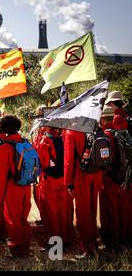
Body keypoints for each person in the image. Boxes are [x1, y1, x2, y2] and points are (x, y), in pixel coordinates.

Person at [0, 115, 32, 258]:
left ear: (3, 128)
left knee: (13, 218)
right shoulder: (26, 142)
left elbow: (1, 174)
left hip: (12, 186)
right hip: (26, 185)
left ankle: (18, 250)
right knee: (23, 218)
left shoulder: (5, 146)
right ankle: (26, 245)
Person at [63, 127, 103, 256]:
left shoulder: (72, 132)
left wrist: (68, 182)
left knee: (83, 212)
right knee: (92, 210)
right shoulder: (96, 128)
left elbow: (68, 160)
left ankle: (88, 249)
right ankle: (94, 244)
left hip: (81, 174)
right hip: (97, 173)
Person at [99, 106, 130, 250]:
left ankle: (112, 242)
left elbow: (105, 161)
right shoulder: (123, 133)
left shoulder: (106, 137)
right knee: (123, 210)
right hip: (125, 177)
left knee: (110, 211)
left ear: (104, 119)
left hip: (110, 179)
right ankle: (124, 239)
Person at [34, 126, 71, 246]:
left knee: (51, 213)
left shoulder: (45, 139)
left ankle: (55, 246)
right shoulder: (64, 137)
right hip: (63, 179)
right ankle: (64, 239)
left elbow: (43, 163)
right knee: (62, 211)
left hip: (49, 179)